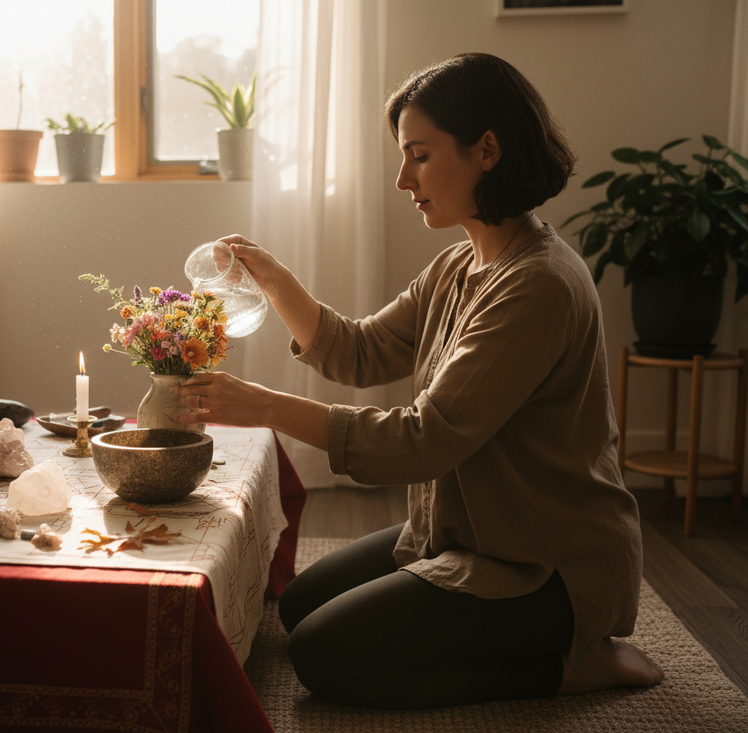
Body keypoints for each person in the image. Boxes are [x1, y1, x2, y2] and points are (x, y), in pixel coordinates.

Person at [170, 53, 664, 708]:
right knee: (299, 606)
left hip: (546, 565)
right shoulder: (458, 266)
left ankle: (571, 665)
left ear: (487, 150)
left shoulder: (539, 285)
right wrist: (274, 277)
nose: (403, 179)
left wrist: (263, 405)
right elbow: (362, 351)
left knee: (324, 655)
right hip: (468, 532)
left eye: (420, 156)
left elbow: (422, 442)